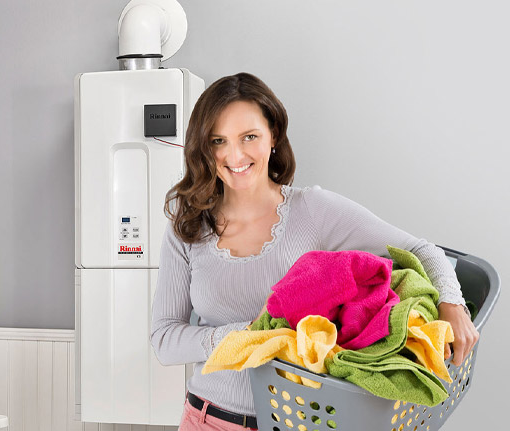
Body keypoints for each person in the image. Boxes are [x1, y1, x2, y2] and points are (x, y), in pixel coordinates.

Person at [150, 72, 479, 431]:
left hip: (297, 422)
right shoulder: (188, 228)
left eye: (249, 137)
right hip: (206, 419)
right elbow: (164, 339)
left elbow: (420, 249)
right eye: (218, 141)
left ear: (273, 135)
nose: (235, 155)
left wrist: (453, 304)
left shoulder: (314, 211)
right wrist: (247, 336)